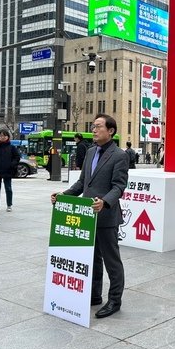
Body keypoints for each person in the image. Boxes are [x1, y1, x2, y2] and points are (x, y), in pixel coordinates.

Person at [51, 114, 128, 319]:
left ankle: (114, 300)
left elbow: (119, 186)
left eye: (98, 127)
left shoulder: (119, 155)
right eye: (93, 126)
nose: (94, 130)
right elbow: (82, 183)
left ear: (110, 131)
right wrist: (63, 195)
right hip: (86, 217)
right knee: (92, 259)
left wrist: (104, 201)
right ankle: (94, 295)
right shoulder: (91, 152)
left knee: (112, 262)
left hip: (106, 216)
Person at [0, 129, 20, 212]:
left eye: (4, 136)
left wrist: (11, 164)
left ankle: (9, 205)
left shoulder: (12, 147)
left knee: (8, 188)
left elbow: (17, 157)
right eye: (1, 136)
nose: (3, 137)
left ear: (8, 137)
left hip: (8, 171)